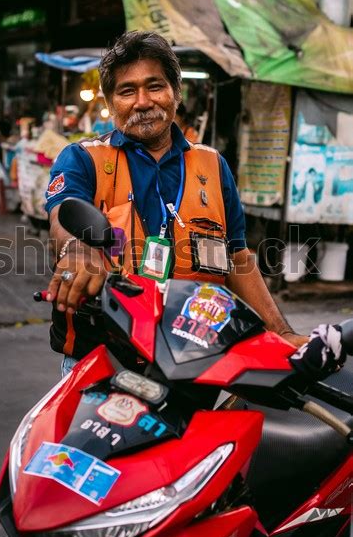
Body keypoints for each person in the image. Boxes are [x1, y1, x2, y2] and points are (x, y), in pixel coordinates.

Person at [45, 30, 308, 375]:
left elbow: (238, 256)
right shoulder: (82, 159)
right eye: (127, 91)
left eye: (155, 86)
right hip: (105, 358)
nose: (142, 101)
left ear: (176, 93)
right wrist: (79, 250)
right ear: (110, 105)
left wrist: (281, 333)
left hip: (198, 358)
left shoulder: (212, 165)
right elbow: (63, 218)